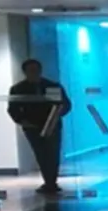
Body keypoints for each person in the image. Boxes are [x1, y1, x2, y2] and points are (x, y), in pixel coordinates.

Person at [8, 59, 72, 194]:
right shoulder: (18, 89)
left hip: (52, 125)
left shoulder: (52, 86)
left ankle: (51, 182)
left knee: (52, 153)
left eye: (36, 70)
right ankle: (49, 181)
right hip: (32, 127)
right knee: (40, 153)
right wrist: (22, 121)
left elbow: (65, 104)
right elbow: (13, 109)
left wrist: (56, 116)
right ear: (25, 72)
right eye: (31, 70)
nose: (34, 73)